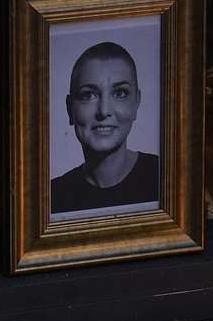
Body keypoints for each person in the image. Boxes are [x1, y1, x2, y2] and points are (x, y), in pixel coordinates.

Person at [50, 41, 160, 215]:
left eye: (120, 93)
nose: (104, 110)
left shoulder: (166, 178)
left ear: (136, 103)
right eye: (89, 95)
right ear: (70, 108)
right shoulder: (51, 198)